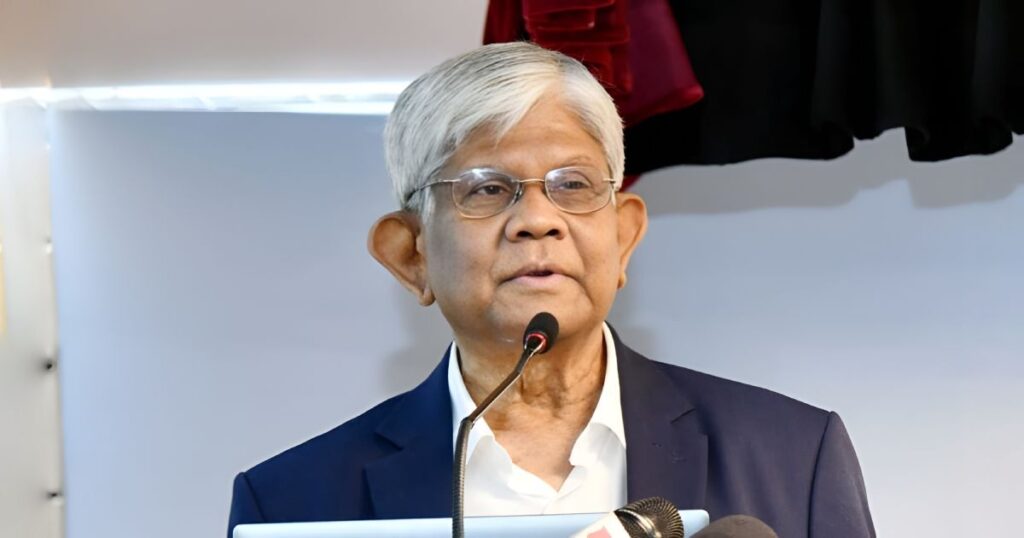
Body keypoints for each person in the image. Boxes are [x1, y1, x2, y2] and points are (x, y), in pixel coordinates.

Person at [227, 42, 875, 538]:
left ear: (623, 238)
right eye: (486, 188)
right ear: (411, 254)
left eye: (572, 185)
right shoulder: (291, 501)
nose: (538, 219)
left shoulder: (794, 456)